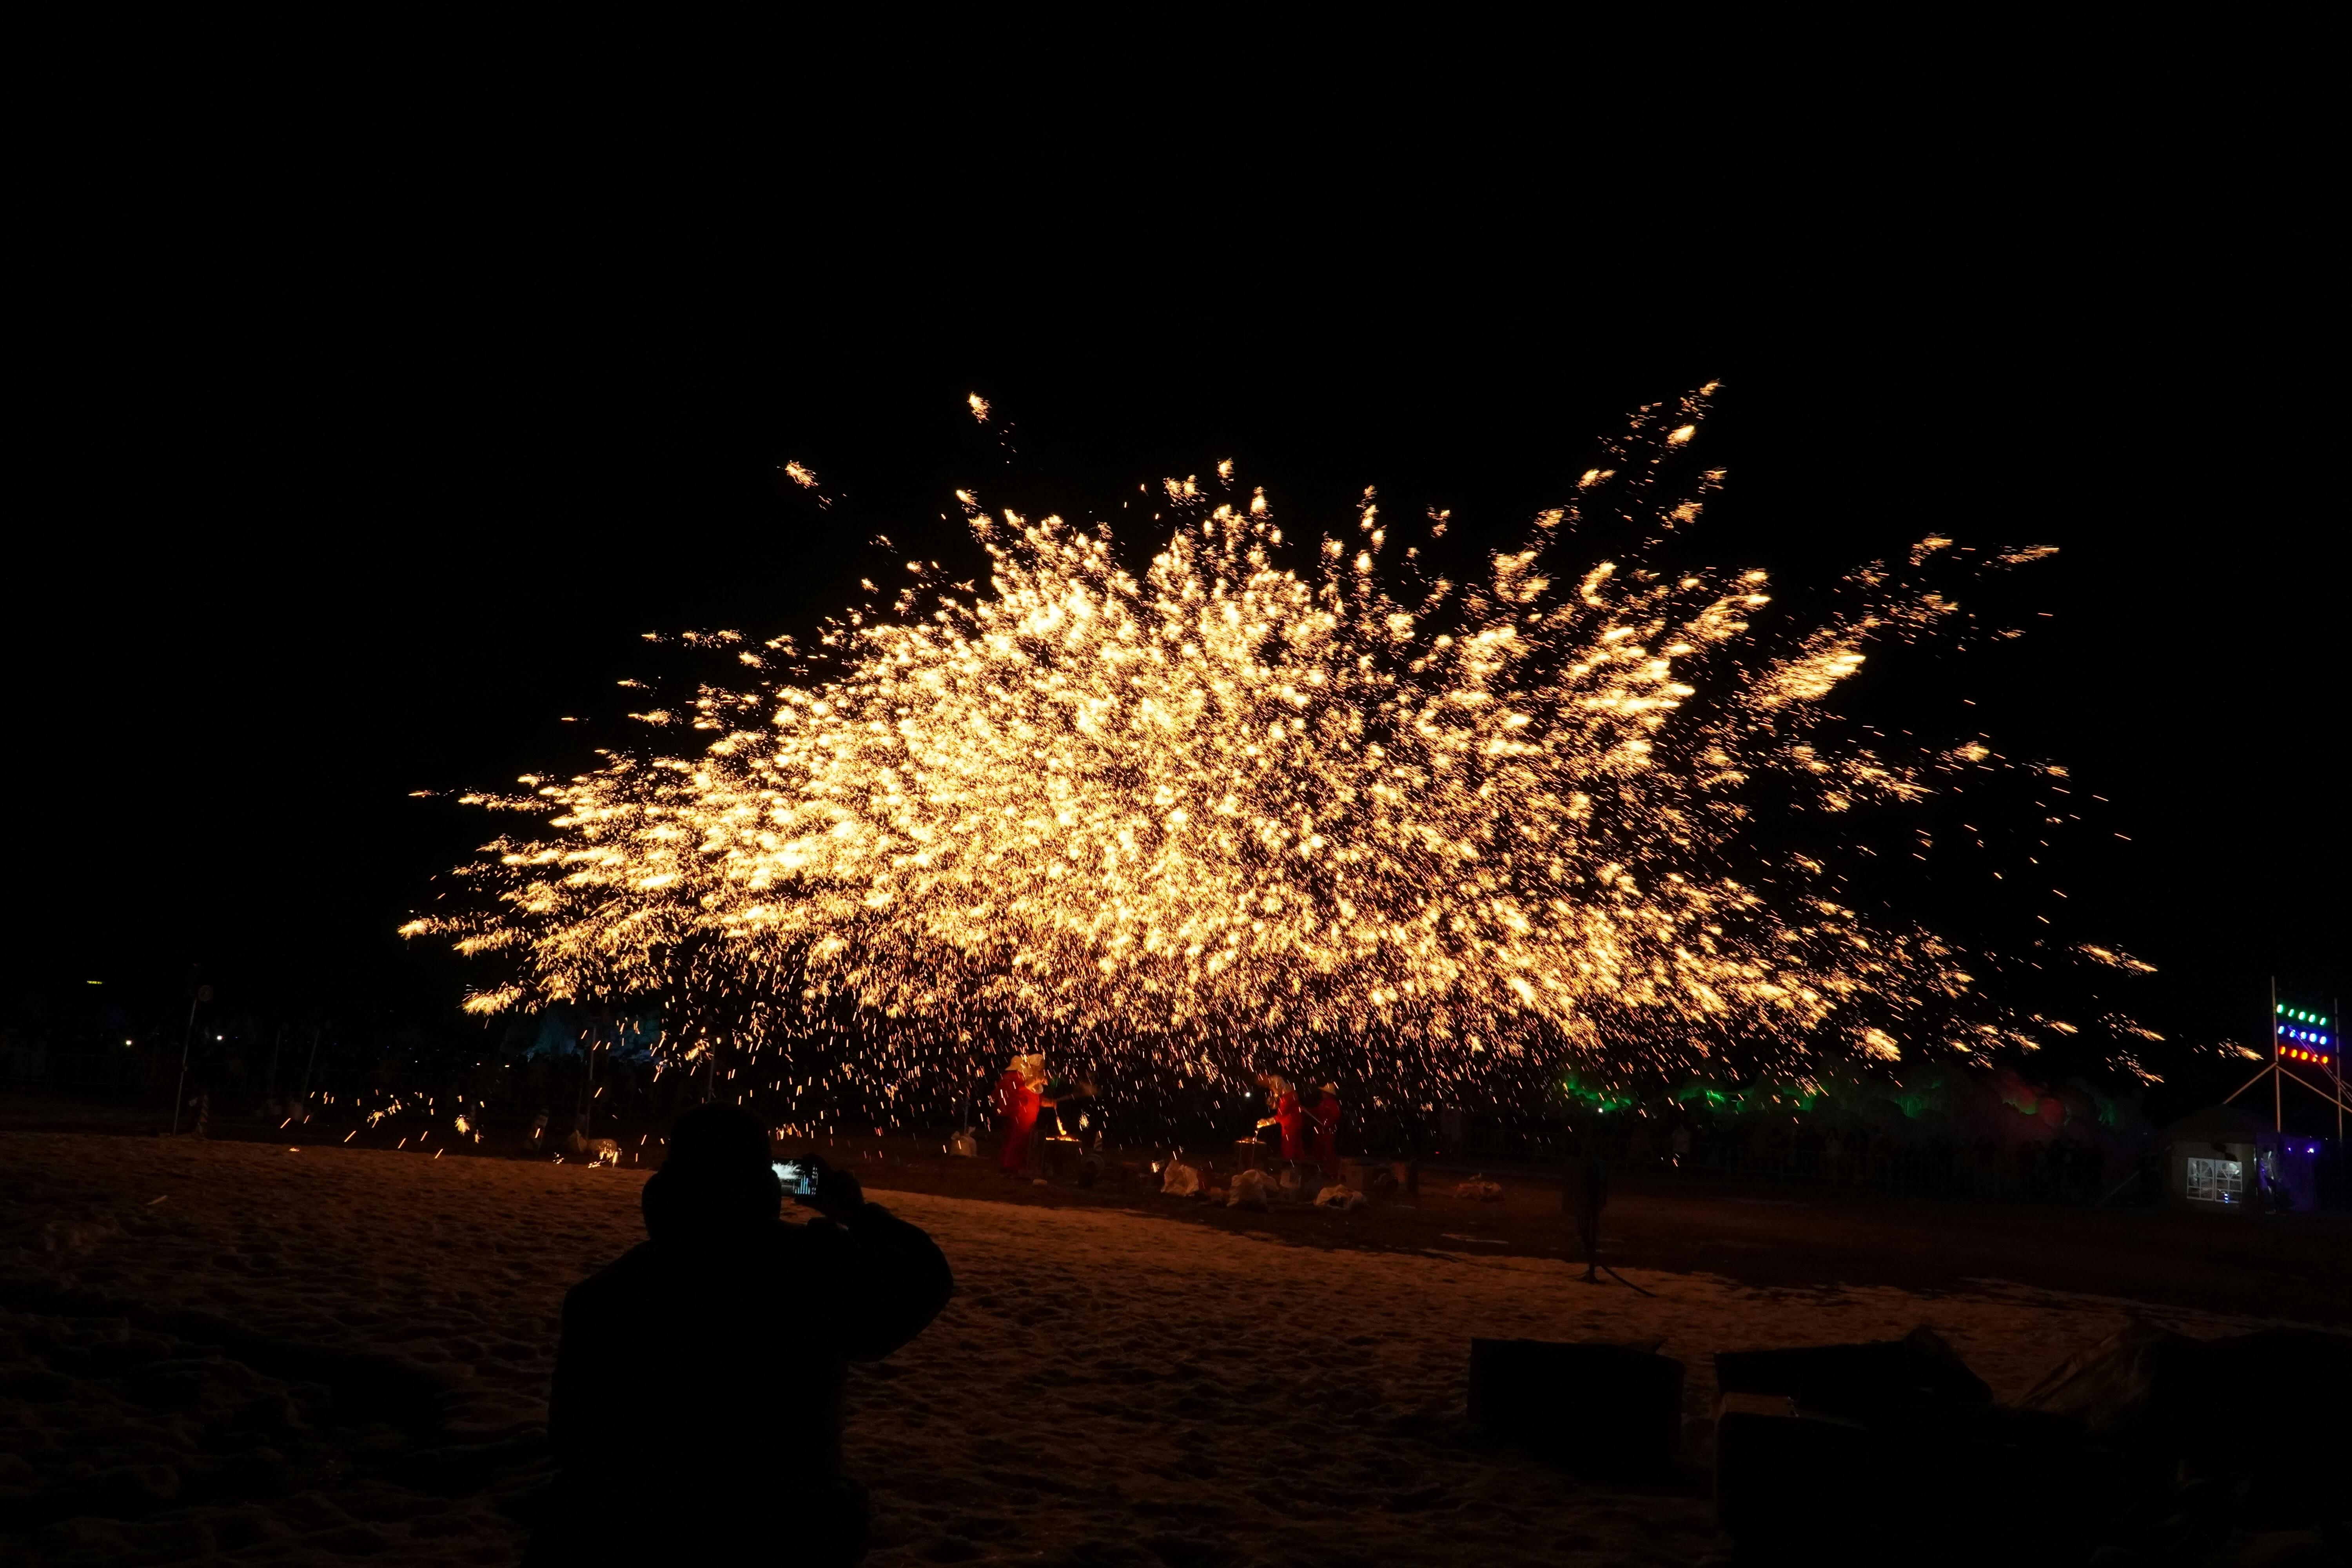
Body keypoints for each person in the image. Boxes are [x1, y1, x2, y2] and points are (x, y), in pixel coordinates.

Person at [532, 1103, 953, 1566]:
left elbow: (571, 1439)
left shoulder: (606, 1292)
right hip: (785, 1533)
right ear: (763, 1183)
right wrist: (854, 1212)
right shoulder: (811, 1267)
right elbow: (925, 1279)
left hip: (643, 1534)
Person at [995, 1053, 1045, 1173]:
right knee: (1017, 1141)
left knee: (1011, 1141)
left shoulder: (1008, 1077)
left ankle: (1009, 1164)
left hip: (1012, 1114)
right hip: (1019, 1116)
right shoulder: (1017, 1078)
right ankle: (1009, 1166)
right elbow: (1021, 1091)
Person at [1309, 1083, 1343, 1176]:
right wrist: (1308, 1110)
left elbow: (1336, 1116)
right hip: (1320, 1131)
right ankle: (1316, 1172)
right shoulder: (1323, 1103)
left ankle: (1334, 1173)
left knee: (1329, 1153)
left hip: (1329, 1132)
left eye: (1324, 1092)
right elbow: (1317, 1111)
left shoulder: (1333, 1104)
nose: (1322, 1094)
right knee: (1317, 1151)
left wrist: (1327, 1124)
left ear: (1328, 1093)